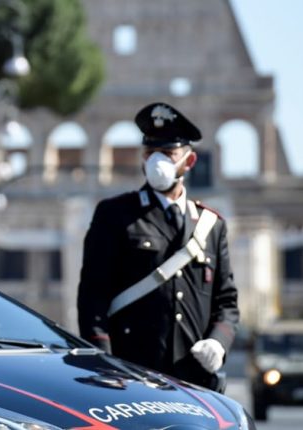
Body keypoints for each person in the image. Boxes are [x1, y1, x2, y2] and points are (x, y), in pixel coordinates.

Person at [76, 102, 240, 391]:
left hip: (195, 379)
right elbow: (92, 296)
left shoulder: (211, 225)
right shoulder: (115, 215)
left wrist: (218, 341)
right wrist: (103, 361)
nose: (156, 161)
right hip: (131, 375)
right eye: (150, 153)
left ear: (188, 162)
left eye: (167, 153)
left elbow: (226, 302)